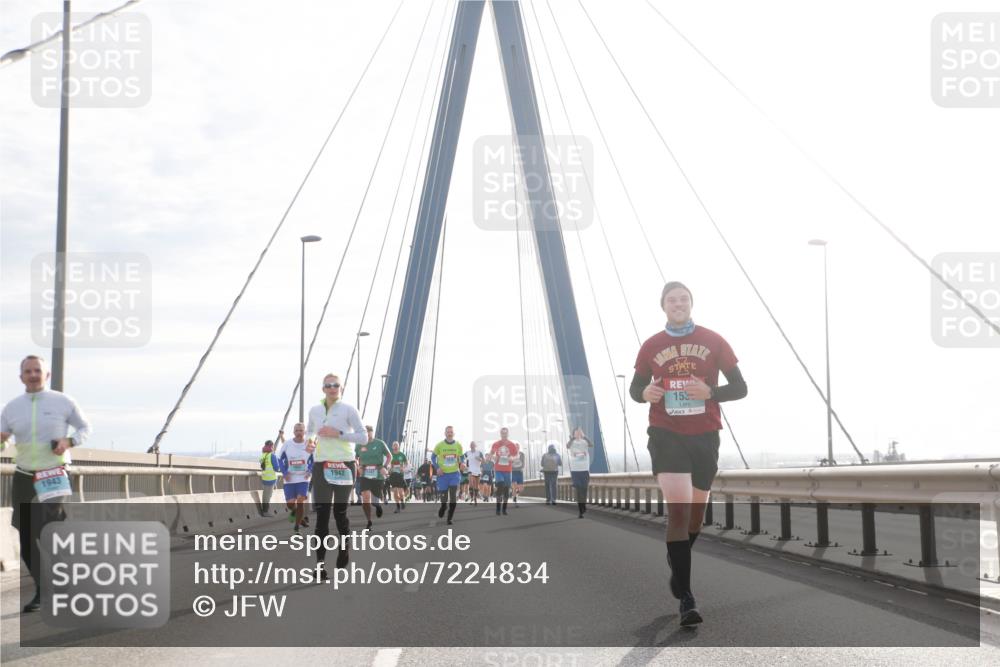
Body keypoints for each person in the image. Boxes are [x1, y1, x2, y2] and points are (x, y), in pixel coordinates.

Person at [631, 281, 747, 627]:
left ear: (691, 304)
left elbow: (741, 388)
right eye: (671, 300)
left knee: (696, 517)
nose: (678, 304)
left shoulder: (714, 340)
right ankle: (687, 598)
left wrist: (710, 391)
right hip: (666, 434)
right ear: (663, 306)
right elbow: (637, 389)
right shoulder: (652, 345)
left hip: (705, 436)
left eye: (683, 299)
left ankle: (677, 565)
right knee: (679, 511)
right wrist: (645, 394)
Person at [1, 355, 91, 613]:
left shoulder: (62, 402)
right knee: (26, 534)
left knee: (49, 531)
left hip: (54, 473)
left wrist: (69, 442)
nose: (32, 375)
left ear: (46, 375)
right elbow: (4, 441)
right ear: (21, 377)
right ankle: (43, 590)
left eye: (37, 370)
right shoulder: (12, 407)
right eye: (27, 371)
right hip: (24, 474)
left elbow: (85, 428)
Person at [306, 373, 367, 576]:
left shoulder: (349, 410)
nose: (332, 388)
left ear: (341, 388)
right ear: (323, 388)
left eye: (336, 385)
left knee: (339, 513)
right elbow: (310, 431)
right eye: (328, 385)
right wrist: (310, 441)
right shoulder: (314, 410)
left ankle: (344, 547)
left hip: (344, 465)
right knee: (322, 516)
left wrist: (339, 434)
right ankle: (320, 566)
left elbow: (363, 437)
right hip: (321, 465)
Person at [277, 423, 313, 532]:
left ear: (305, 432)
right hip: (290, 478)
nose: (299, 433)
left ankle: (296, 528)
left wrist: (309, 470)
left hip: (303, 478)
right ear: (293, 432)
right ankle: (300, 518)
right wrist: (284, 472)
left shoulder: (308, 444)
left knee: (300, 500)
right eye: (297, 430)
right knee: (290, 504)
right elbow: (279, 459)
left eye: (301, 430)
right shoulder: (287, 444)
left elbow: (314, 459)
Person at [356, 426, 391, 531]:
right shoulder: (359, 445)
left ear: (372, 432)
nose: (366, 434)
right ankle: (369, 521)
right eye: (364, 432)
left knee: (375, 499)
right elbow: (355, 457)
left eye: (368, 432)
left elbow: (389, 456)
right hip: (364, 474)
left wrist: (384, 467)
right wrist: (358, 466)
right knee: (366, 498)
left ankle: (377, 505)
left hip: (378, 474)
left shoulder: (380, 443)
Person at [432, 426, 463, 525]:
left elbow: (461, 458)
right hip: (443, 475)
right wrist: (437, 468)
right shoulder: (439, 445)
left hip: (454, 474)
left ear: (453, 434)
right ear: (445, 433)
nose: (449, 433)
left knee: (453, 495)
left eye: (451, 432)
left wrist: (462, 463)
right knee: (444, 497)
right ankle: (443, 506)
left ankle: (450, 518)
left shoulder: (458, 445)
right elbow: (433, 457)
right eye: (448, 432)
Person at [489, 427, 519, 516]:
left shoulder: (512, 445)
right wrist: (493, 457)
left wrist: (512, 458)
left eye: (505, 433)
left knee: (506, 490)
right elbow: (491, 454)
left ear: (508, 434)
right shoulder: (496, 444)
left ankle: (504, 509)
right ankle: (498, 509)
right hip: (498, 469)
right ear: (500, 434)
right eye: (502, 433)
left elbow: (516, 456)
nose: (504, 435)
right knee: (500, 486)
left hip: (508, 470)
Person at [566, 428, 593, 517]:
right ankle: (580, 511)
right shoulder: (571, 442)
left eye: (579, 432)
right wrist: (572, 438)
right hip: (575, 470)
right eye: (576, 432)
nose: (578, 434)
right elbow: (567, 446)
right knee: (578, 491)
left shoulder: (584, 441)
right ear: (573, 434)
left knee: (584, 490)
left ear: (582, 433)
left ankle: (583, 506)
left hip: (585, 469)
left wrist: (584, 436)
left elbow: (591, 444)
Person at [259, 440, 279, 515]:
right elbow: (277, 468)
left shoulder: (263, 455)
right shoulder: (272, 456)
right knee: (268, 496)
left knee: (265, 495)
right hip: (271, 479)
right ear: (271, 446)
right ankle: (265, 511)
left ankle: (264, 510)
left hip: (264, 478)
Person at [388, 441, 408, 512]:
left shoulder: (402, 454)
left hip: (400, 475)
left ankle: (402, 501)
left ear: (398, 446)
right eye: (394, 445)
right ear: (392, 447)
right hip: (393, 475)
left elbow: (406, 463)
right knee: (395, 491)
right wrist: (389, 468)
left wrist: (403, 468)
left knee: (400, 491)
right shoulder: (390, 455)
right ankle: (397, 507)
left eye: (396, 445)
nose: (395, 446)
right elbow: (387, 463)